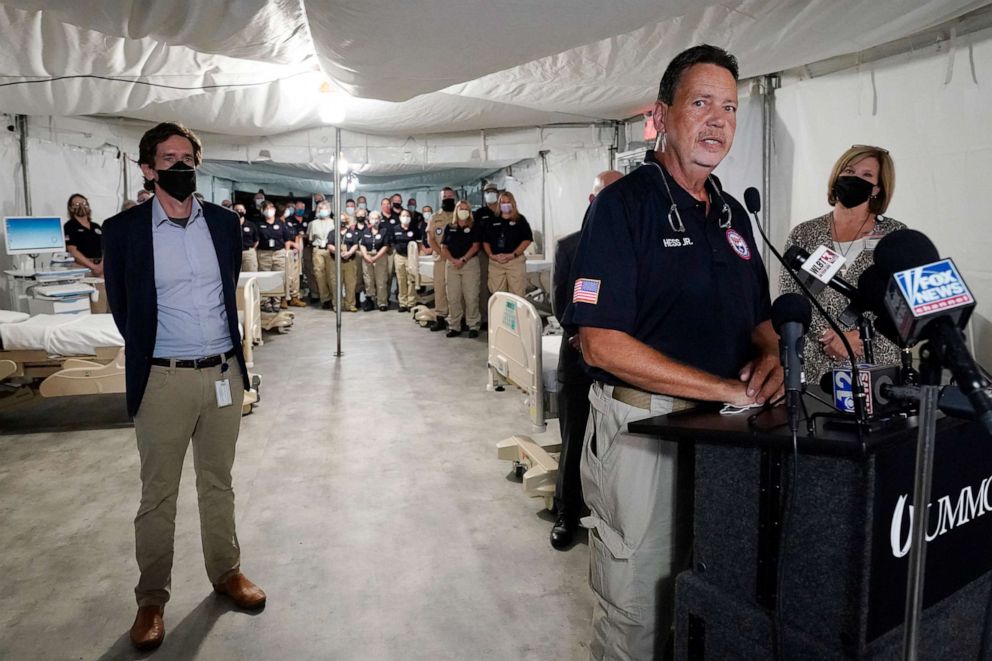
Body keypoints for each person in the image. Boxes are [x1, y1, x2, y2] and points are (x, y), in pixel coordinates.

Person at [563, 45, 783, 659]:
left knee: (714, 602)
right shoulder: (623, 206)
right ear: (662, 115)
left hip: (726, 435)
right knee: (638, 611)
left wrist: (771, 356)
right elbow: (601, 344)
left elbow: (759, 318)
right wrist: (724, 390)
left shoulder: (735, 215)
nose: (718, 121)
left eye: (731, 108)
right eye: (701, 103)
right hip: (644, 432)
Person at [102, 122, 264, 652]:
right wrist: (159, 356)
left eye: (187, 156)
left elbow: (227, 293)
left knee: (219, 483)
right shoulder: (123, 230)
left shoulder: (222, 223)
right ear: (148, 169)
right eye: (167, 158)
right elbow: (125, 309)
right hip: (163, 380)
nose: (180, 165)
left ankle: (227, 572)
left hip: (222, 375)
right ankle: (151, 600)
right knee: (159, 496)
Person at [780, 144, 904, 382]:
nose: (854, 178)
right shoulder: (804, 234)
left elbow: (904, 306)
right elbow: (791, 296)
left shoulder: (895, 235)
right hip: (817, 367)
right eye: (848, 170)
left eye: (866, 175)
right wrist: (830, 337)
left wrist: (860, 336)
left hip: (877, 367)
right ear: (837, 175)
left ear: (877, 188)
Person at [549, 170, 623, 551]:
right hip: (579, 360)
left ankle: (611, 516)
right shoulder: (570, 248)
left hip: (623, 365)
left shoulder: (635, 246)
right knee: (575, 436)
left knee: (619, 445)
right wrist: (586, 338)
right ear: (593, 202)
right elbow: (564, 306)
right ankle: (565, 511)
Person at [441, 200, 482, 338]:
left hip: (469, 263)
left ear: (469, 211)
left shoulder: (474, 227)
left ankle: (473, 325)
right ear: (456, 211)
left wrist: (463, 259)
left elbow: (476, 246)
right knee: (453, 296)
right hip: (452, 264)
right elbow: (444, 247)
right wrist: (453, 260)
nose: (463, 211)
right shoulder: (450, 227)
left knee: (471, 296)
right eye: (460, 208)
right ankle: (454, 325)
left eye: (465, 209)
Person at [484, 191, 532, 297]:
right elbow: (486, 241)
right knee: (498, 295)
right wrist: (491, 256)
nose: (505, 204)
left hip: (514, 262)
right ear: (499, 204)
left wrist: (513, 254)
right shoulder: (492, 220)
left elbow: (527, 240)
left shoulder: (520, 220)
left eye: (508, 202)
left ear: (513, 203)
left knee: (517, 295)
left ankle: (516, 314)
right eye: (502, 202)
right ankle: (499, 314)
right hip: (496, 263)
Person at [425, 187, 456, 331]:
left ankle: (457, 318)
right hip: (440, 259)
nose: (447, 198)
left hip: (457, 259)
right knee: (440, 289)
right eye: (445, 196)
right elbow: (431, 239)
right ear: (441, 198)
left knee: (456, 289)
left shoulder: (460, 215)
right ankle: (441, 318)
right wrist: (442, 253)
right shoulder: (434, 217)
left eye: (450, 196)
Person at [255, 201, 292, 312]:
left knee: (278, 277)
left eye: (271, 207)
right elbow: (256, 240)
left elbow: (287, 239)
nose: (269, 210)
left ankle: (277, 301)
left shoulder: (280, 223)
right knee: (265, 277)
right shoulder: (258, 224)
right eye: (266, 208)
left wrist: (286, 252)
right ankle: (266, 301)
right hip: (264, 253)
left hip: (278, 253)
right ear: (262, 210)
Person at [474, 182, 501, 327]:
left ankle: (499, 315)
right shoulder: (480, 213)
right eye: (487, 192)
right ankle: (485, 316)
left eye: (493, 191)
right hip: (484, 254)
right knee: (484, 285)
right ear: (484, 195)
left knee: (499, 285)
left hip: (501, 255)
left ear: (498, 193)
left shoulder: (503, 210)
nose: (490, 194)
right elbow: (476, 234)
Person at [385, 208, 422, 312]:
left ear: (410, 218)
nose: (405, 218)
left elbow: (419, 243)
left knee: (411, 280)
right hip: (399, 256)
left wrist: (416, 255)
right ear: (400, 217)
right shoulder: (395, 228)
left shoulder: (414, 229)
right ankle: (403, 303)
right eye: (403, 216)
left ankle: (411, 303)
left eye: (407, 216)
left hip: (411, 257)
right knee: (401, 280)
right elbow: (392, 242)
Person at [63, 193, 104, 275]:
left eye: (84, 203)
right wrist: (93, 267)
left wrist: (102, 265)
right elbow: (72, 251)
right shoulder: (69, 226)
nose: (81, 206)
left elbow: (105, 248)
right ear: (71, 208)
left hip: (101, 267)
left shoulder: (96, 226)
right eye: (77, 204)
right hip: (81, 268)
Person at [307, 200, 337, 309]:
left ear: (329, 210)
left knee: (332, 275)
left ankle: (335, 298)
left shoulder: (334, 222)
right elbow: (311, 239)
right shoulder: (313, 223)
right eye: (320, 208)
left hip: (330, 250)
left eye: (325, 208)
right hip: (318, 250)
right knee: (319, 275)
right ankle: (325, 299)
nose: (322, 210)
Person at [359, 211, 390, 311]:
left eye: (376, 218)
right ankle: (370, 301)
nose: (374, 220)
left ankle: (382, 302)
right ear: (369, 220)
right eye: (372, 218)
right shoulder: (366, 231)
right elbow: (362, 244)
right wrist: (365, 255)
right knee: (368, 280)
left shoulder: (384, 231)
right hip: (367, 257)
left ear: (380, 220)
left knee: (381, 280)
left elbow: (385, 246)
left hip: (380, 257)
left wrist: (376, 257)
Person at [282, 203, 307, 308]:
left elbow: (296, 234)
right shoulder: (282, 222)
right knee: (286, 275)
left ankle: (294, 297)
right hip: (285, 251)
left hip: (295, 251)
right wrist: (292, 245)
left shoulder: (289, 224)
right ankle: (283, 298)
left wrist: (296, 245)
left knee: (296, 275)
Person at [336, 214, 361, 312]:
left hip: (350, 260)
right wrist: (338, 252)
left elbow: (356, 244)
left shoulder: (352, 233)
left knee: (350, 284)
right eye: (340, 220)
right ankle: (338, 304)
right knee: (337, 283)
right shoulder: (333, 233)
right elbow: (330, 244)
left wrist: (349, 253)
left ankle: (350, 304)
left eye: (343, 220)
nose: (342, 222)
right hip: (336, 261)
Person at [237, 203, 259, 272]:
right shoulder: (229, 225)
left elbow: (256, 240)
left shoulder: (251, 224)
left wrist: (252, 250)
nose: (239, 211)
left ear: (245, 211)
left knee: (251, 274)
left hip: (248, 253)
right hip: (235, 253)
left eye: (241, 209)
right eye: (237, 210)